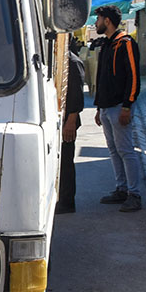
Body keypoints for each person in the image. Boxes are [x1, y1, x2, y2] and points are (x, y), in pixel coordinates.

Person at [92, 5, 143, 212]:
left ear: (107, 21)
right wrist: (99, 107)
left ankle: (134, 194)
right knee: (114, 150)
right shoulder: (107, 44)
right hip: (106, 108)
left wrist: (127, 106)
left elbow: (133, 76)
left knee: (126, 150)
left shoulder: (126, 43)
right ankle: (121, 189)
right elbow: (101, 78)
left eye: (98, 19)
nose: (96, 23)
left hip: (120, 107)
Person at [56, 38, 86, 214]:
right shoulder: (61, 60)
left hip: (69, 120)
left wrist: (71, 121)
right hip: (61, 119)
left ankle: (67, 202)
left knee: (66, 161)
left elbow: (76, 96)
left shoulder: (73, 62)